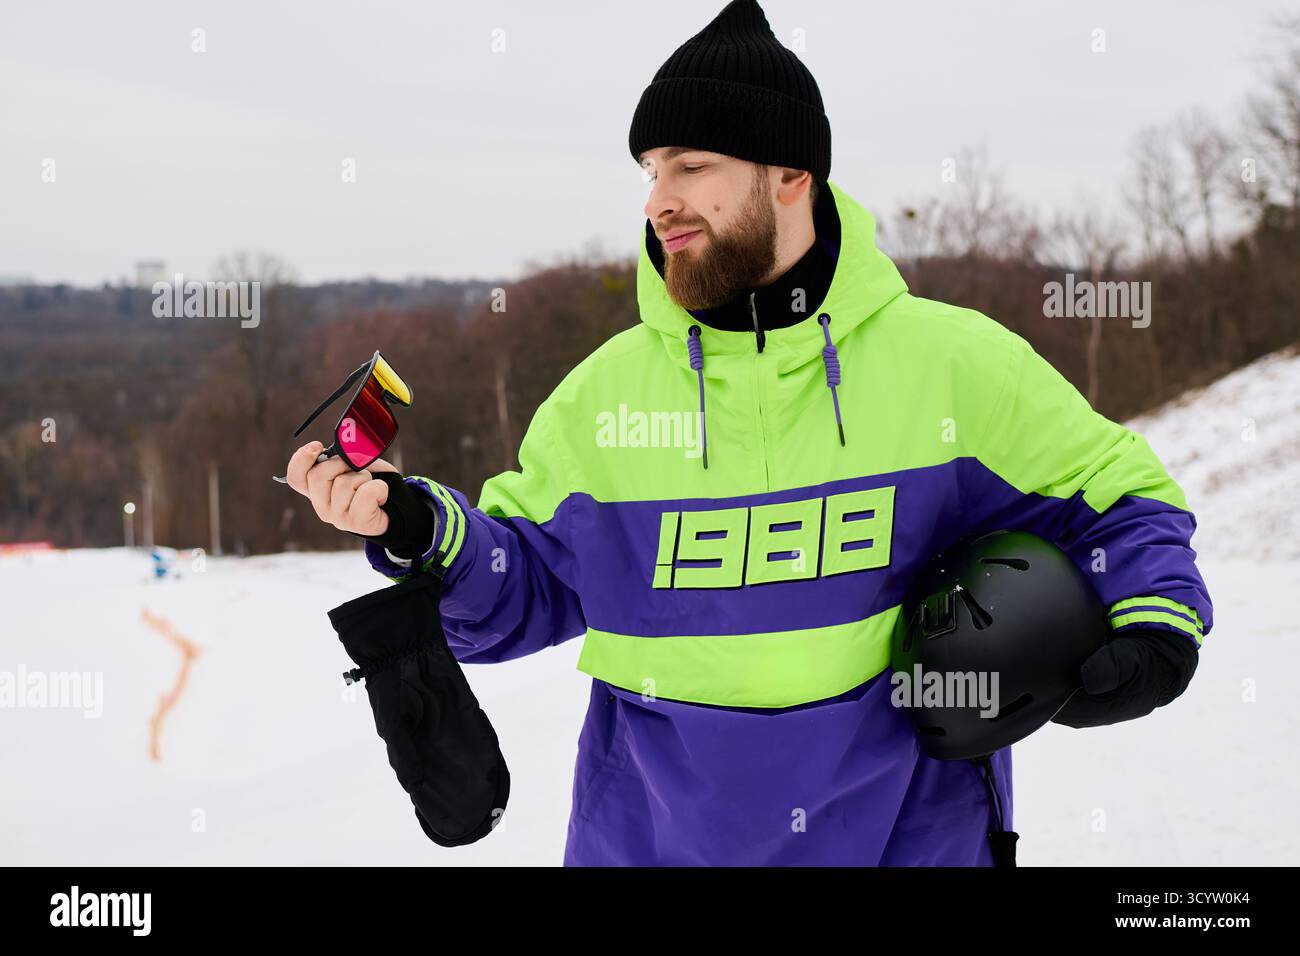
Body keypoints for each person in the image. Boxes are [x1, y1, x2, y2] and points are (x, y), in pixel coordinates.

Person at [284, 0, 1211, 866]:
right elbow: (518, 585)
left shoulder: (955, 366)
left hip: (908, 843)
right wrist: (415, 528)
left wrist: (1155, 623)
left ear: (790, 174)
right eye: (650, 171)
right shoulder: (603, 397)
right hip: (649, 845)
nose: (658, 200)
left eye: (691, 166)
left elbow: (1121, 498)